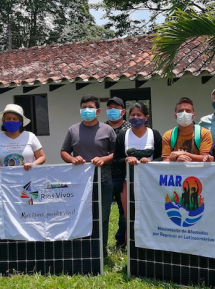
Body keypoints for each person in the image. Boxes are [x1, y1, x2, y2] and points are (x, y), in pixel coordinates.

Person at [61, 95, 116, 255]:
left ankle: (101, 249)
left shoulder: (107, 130)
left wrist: (104, 159)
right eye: (84, 107)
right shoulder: (73, 130)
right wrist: (72, 159)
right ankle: (83, 248)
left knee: (103, 216)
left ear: (98, 111)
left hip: (103, 180)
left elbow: (115, 154)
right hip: (79, 183)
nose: (87, 110)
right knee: (80, 217)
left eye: (90, 107)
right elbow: (64, 152)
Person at [113, 101, 163, 241]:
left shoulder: (155, 134)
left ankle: (149, 241)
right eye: (133, 114)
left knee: (149, 212)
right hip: (127, 182)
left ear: (146, 117)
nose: (136, 117)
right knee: (128, 214)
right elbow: (116, 159)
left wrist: (152, 161)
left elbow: (162, 157)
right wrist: (126, 159)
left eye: (139, 115)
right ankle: (130, 243)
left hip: (150, 183)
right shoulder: (123, 135)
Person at [0, 104, 45, 171]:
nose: (11, 121)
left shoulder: (30, 136)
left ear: (20, 122)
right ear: (3, 120)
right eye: (8, 119)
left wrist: (34, 164)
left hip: (27, 178)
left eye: (15, 119)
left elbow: (41, 156)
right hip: (4, 179)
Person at [105, 97, 131, 249]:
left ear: (122, 111)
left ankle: (121, 241)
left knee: (123, 210)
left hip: (123, 175)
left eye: (116, 107)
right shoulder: (102, 127)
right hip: (105, 174)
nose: (112, 110)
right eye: (110, 107)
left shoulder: (129, 128)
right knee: (104, 210)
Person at [162, 97, 213, 162]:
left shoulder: (204, 133)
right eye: (180, 111)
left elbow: (205, 159)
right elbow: (165, 160)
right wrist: (178, 159)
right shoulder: (168, 135)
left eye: (188, 111)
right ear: (175, 115)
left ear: (193, 115)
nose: (184, 113)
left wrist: (184, 154)